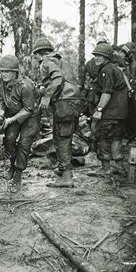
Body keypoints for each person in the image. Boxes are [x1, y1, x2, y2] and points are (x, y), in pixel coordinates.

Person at [32, 38, 82, 188]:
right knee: (62, 136)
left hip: (64, 103)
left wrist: (46, 96)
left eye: (35, 56)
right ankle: (63, 171)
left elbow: (58, 78)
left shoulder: (46, 62)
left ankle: (67, 177)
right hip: (73, 103)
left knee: (62, 139)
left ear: (39, 54)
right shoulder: (61, 62)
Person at [0, 55, 41, 193]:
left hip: (31, 115)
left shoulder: (25, 86)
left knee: (24, 143)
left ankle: (18, 174)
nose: (4, 74)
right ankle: (12, 165)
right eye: (2, 71)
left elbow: (28, 109)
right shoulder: (0, 81)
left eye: (7, 71)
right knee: (9, 138)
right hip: (14, 113)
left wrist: (10, 119)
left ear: (15, 72)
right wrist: (0, 114)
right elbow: (3, 100)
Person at [89, 43, 128, 177]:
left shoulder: (106, 70)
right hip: (120, 113)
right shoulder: (114, 68)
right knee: (116, 138)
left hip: (110, 112)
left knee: (103, 138)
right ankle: (119, 167)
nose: (96, 58)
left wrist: (99, 109)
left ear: (107, 57)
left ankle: (106, 168)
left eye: (99, 55)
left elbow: (107, 92)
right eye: (95, 55)